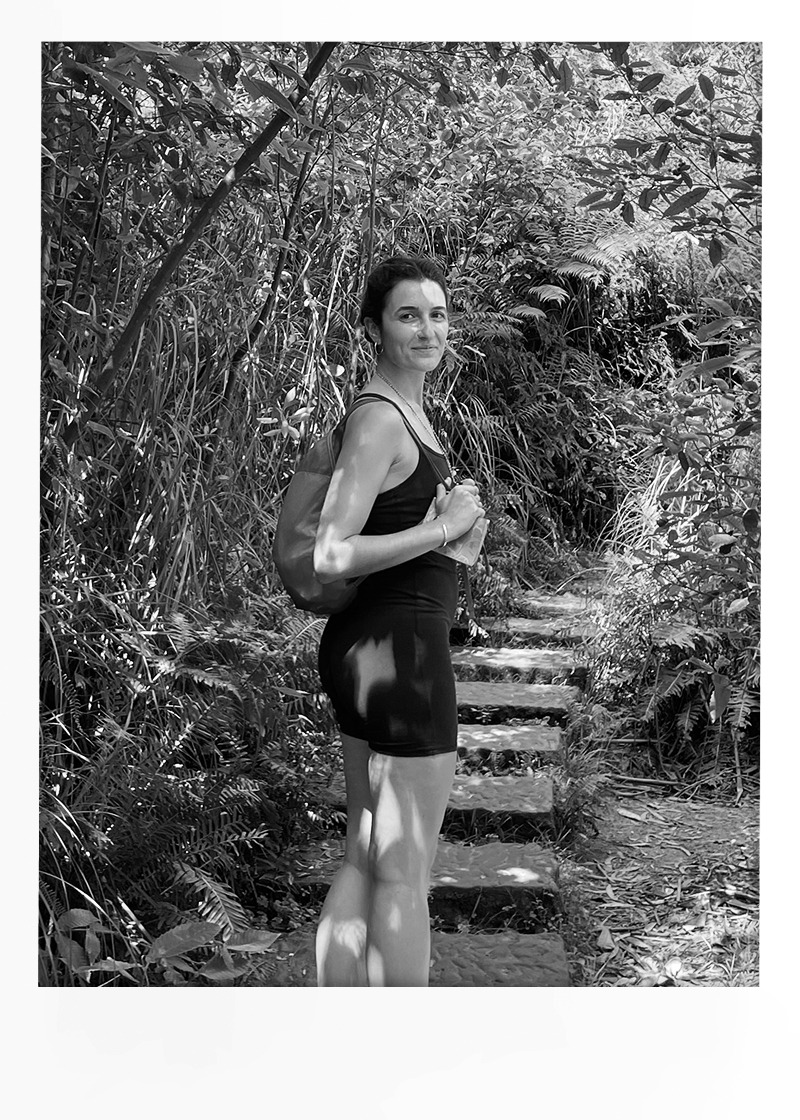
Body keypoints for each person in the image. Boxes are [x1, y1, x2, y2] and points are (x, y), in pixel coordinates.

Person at [313, 255, 485, 986]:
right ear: (374, 329)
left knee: (366, 853)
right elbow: (331, 552)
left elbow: (401, 537)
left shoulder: (405, 413)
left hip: (370, 650)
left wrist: (453, 539)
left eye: (437, 314)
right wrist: (443, 529)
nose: (427, 329)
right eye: (408, 315)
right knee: (406, 874)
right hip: (401, 657)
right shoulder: (382, 419)